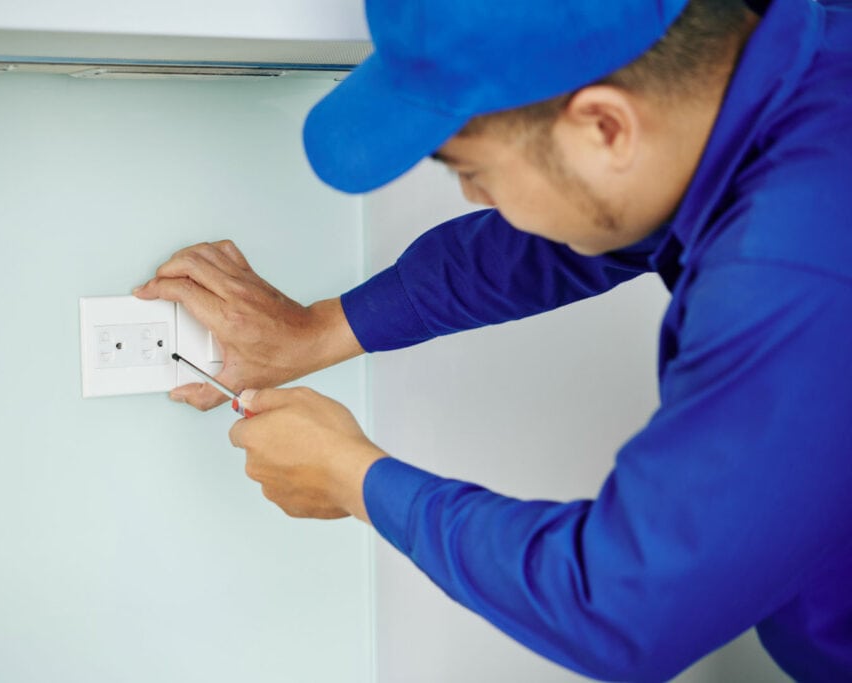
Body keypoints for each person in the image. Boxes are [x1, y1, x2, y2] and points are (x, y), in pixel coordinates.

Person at [134, 0, 852, 679]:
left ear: (604, 128)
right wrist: (319, 331)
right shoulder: (769, 75)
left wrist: (354, 477)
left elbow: (625, 605)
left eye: (474, 175)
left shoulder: (796, 258)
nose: (480, 200)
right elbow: (567, 237)